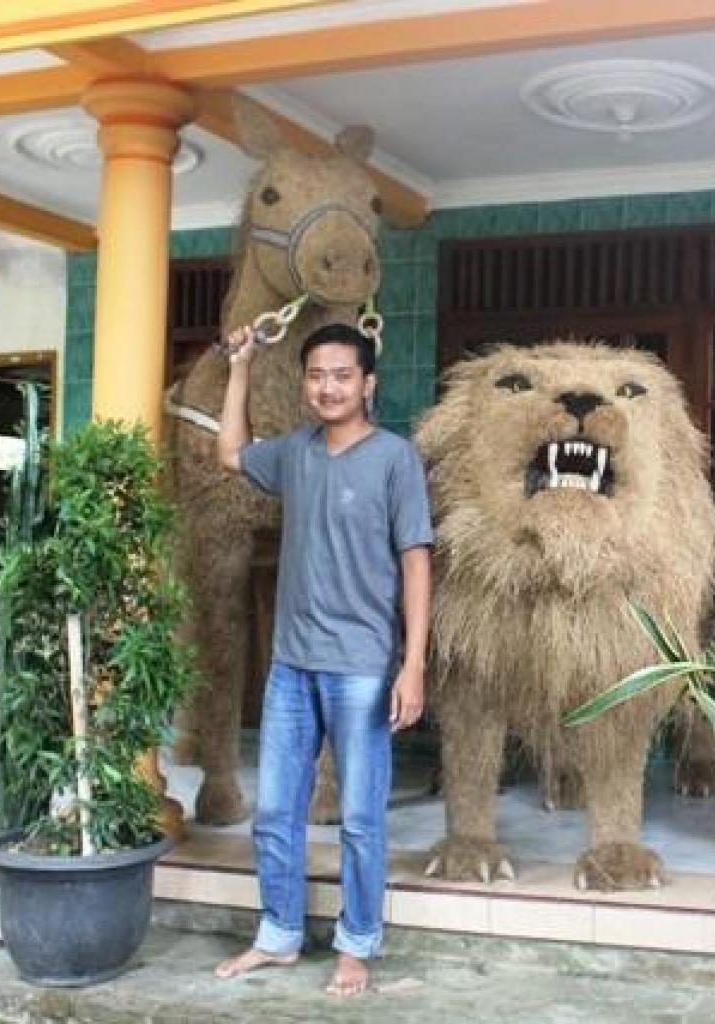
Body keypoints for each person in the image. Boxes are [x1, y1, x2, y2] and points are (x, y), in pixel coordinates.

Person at [211, 321, 433, 997]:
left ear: (367, 384)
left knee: (360, 819)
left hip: (362, 665)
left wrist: (413, 664)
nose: (328, 387)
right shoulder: (295, 452)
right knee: (275, 811)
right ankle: (278, 935)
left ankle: (356, 945)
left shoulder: (394, 458)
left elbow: (416, 562)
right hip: (291, 666)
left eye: (341, 375)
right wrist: (241, 367)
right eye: (316, 375)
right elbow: (230, 453)